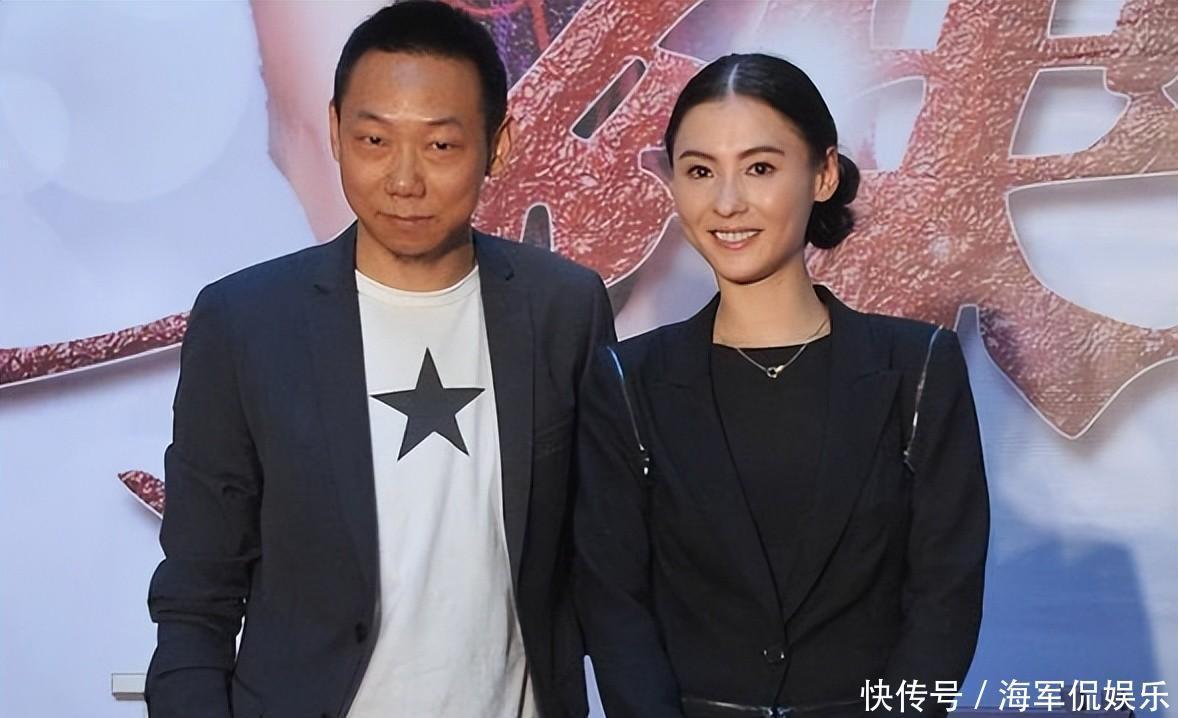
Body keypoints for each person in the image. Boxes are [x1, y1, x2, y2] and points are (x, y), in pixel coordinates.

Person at [145, 2, 614, 716]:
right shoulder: (246, 322)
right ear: (335, 131)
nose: (404, 179)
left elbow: (608, 563)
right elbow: (196, 594)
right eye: (373, 139)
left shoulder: (563, 309)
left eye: (441, 145)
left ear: (499, 144)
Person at [575, 53, 989, 718]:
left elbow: (946, 596)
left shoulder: (918, 370)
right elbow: (614, 604)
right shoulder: (628, 382)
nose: (727, 201)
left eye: (760, 168)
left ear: (824, 173)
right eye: (700, 171)